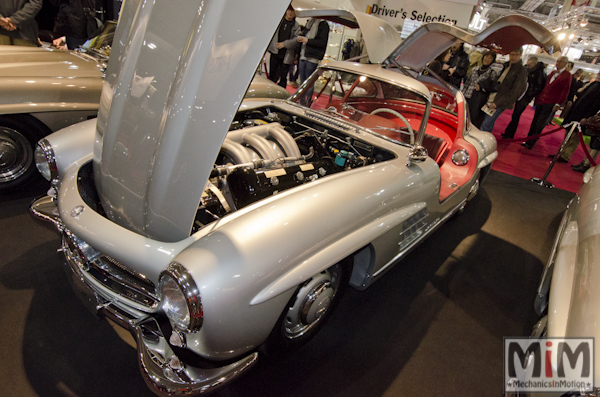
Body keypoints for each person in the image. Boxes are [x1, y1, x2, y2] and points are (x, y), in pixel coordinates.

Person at [522, 56, 571, 150]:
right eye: (557, 61)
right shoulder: (553, 72)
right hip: (541, 100)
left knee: (540, 123)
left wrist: (557, 104)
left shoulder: (567, 75)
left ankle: (530, 142)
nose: (558, 63)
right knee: (534, 121)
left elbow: (565, 91)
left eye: (560, 62)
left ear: (565, 63)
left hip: (551, 103)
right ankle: (528, 139)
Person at [553, 71, 600, 166]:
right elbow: (579, 94)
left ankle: (565, 156)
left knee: (574, 136)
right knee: (568, 134)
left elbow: (595, 106)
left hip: (583, 115)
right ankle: (561, 153)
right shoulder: (593, 84)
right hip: (576, 111)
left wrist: (587, 118)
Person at [479, 47, 528, 133]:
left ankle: (482, 142)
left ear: (520, 55)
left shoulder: (521, 70)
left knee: (486, 123)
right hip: (492, 97)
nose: (513, 57)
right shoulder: (505, 65)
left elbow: (515, 91)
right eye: (512, 54)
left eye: (516, 55)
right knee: (487, 122)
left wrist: (497, 103)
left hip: (501, 101)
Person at [502, 56, 546, 139]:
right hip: (521, 95)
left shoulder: (540, 72)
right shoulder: (528, 70)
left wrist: (529, 94)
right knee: (515, 115)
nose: (527, 66)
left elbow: (539, 87)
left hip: (526, 96)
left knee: (516, 115)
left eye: (529, 65)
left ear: (534, 64)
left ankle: (510, 134)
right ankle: (508, 132)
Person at [461, 50, 500, 127]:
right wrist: (462, 95)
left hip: (479, 99)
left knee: (474, 119)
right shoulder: (475, 69)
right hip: (468, 95)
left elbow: (492, 87)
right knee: (463, 116)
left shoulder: (492, 73)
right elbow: (467, 83)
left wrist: (483, 87)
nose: (487, 59)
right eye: (486, 56)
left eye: (490, 58)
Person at [296, 17, 329, 104]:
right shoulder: (309, 22)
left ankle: (307, 103)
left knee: (309, 83)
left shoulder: (323, 24)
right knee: (302, 82)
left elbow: (322, 42)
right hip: (303, 55)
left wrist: (307, 40)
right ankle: (301, 102)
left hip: (313, 57)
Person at [267, 5, 300, 89]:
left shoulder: (296, 26)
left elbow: (297, 40)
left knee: (283, 78)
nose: (290, 12)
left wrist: (284, 44)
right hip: (274, 53)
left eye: (292, 11)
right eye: (289, 10)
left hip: (287, 56)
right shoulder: (278, 21)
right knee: (272, 77)